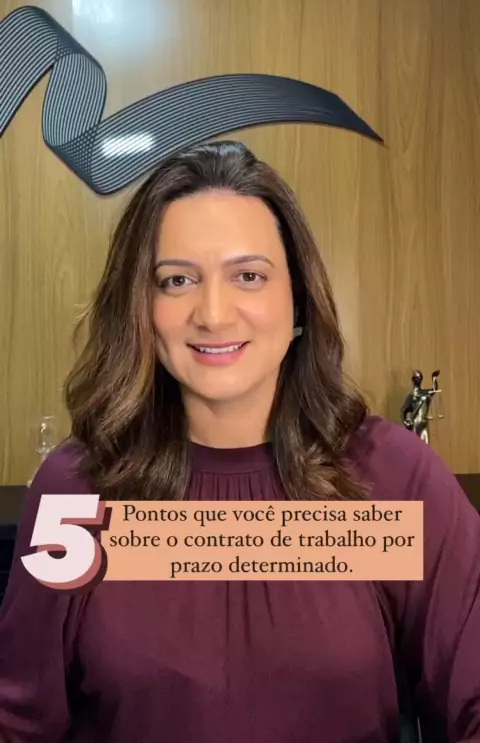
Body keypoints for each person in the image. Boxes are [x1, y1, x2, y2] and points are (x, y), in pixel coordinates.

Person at [0, 140, 479, 743]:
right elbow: (17, 724)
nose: (214, 314)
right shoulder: (76, 494)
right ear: (141, 306)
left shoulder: (394, 480)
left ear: (297, 298)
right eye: (177, 280)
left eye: (248, 276)